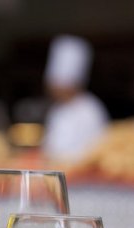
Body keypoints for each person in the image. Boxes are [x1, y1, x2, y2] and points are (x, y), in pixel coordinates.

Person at [42, 35, 109, 163]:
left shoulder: (91, 110)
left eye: (58, 84)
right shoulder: (57, 109)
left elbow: (96, 153)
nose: (53, 88)